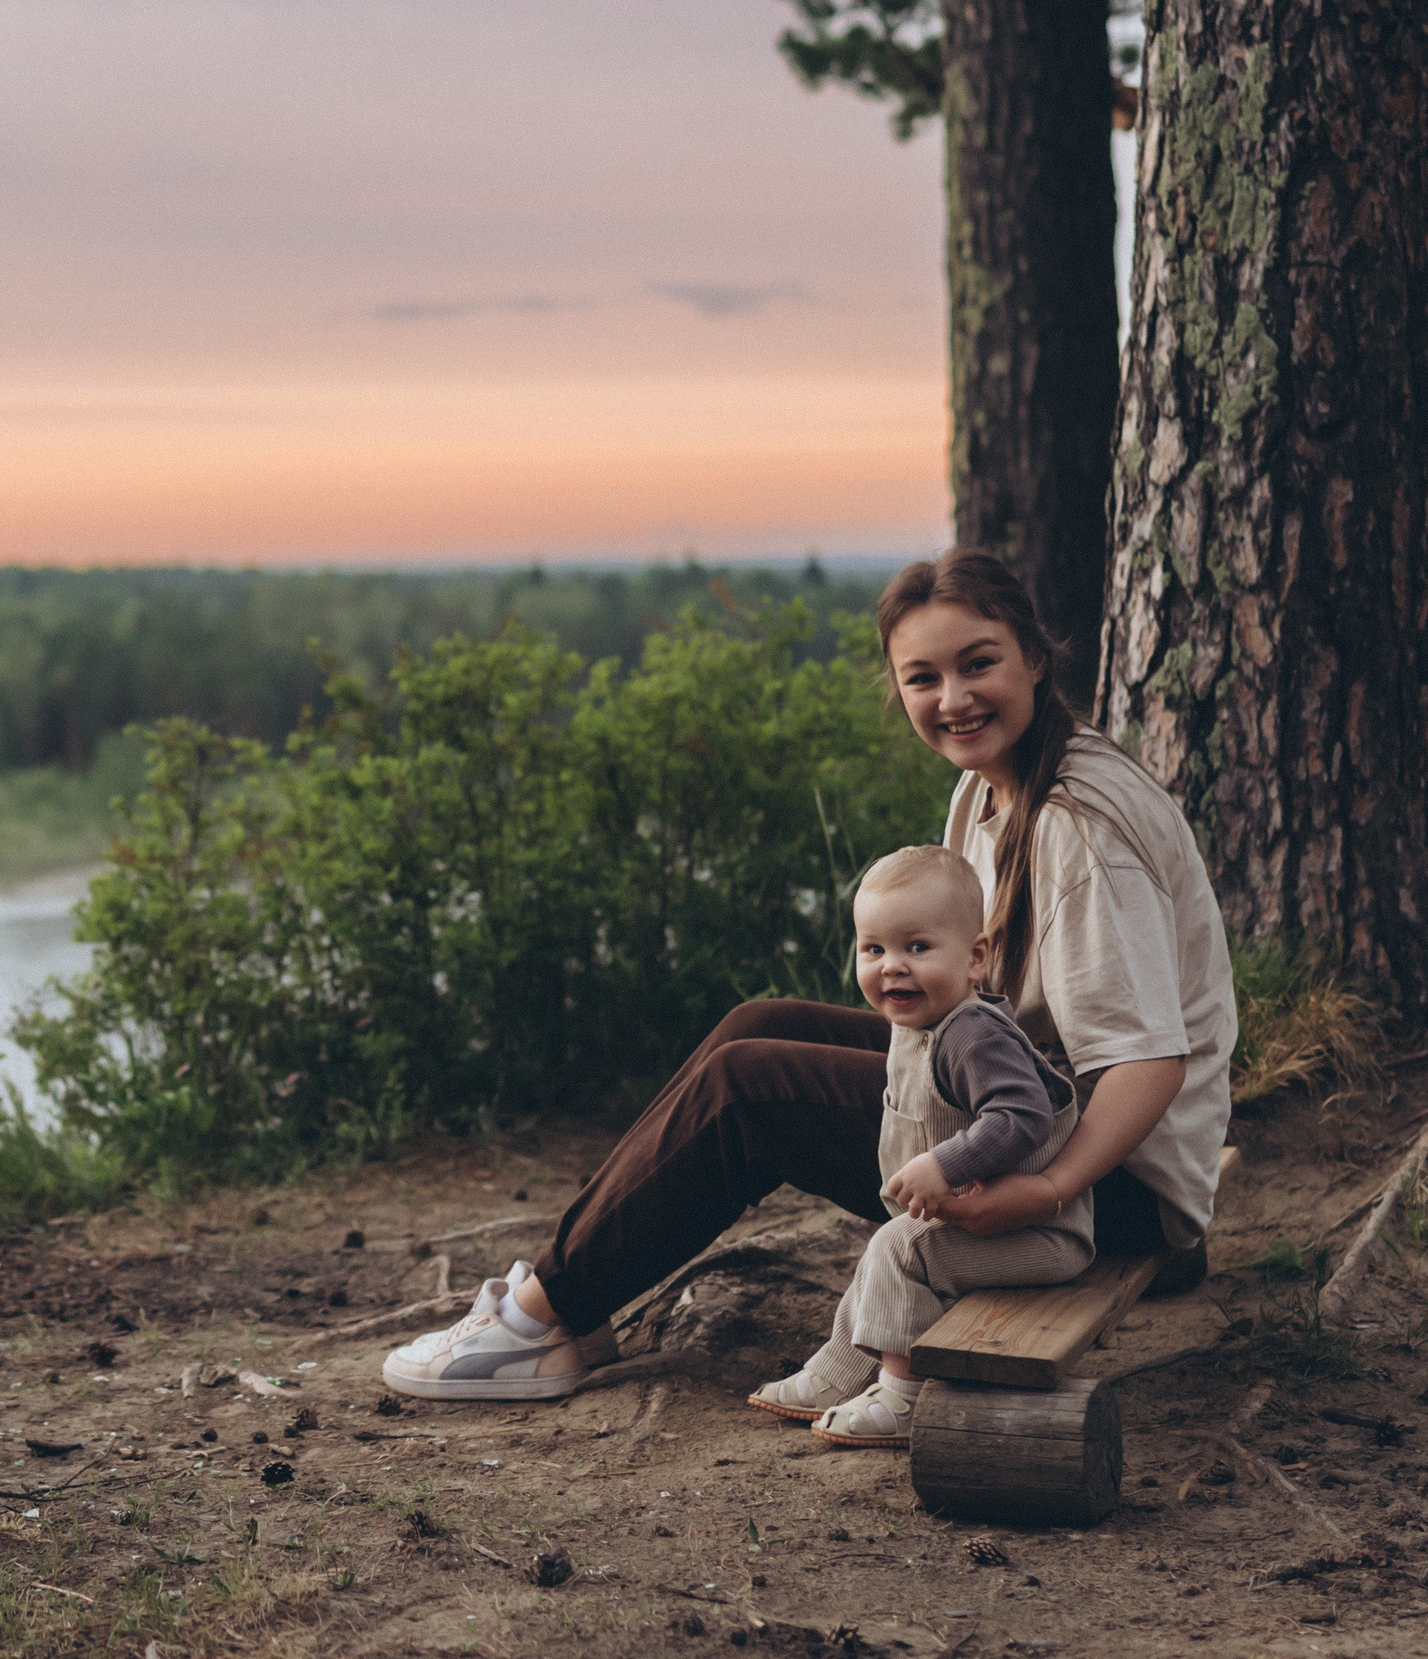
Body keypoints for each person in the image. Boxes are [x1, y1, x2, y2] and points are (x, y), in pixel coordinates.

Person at [381, 547, 1235, 1405]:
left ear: (1035, 659)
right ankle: (576, 1300)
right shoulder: (994, 787)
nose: (954, 699)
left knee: (750, 1089)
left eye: (979, 664)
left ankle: (539, 1318)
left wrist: (1042, 1191)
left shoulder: (1076, 828)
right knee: (756, 1026)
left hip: (1110, 1191)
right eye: (922, 678)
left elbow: (1146, 1060)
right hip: (1035, 1105)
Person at [749, 846, 1090, 1447]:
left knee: (900, 1252)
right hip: (989, 1228)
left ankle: (905, 1396)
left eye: (918, 948)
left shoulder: (972, 1035)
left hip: (1042, 1237)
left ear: (976, 957)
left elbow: (1023, 1115)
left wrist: (944, 1162)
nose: (893, 968)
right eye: (873, 949)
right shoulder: (916, 1026)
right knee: (886, 1255)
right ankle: (837, 1372)